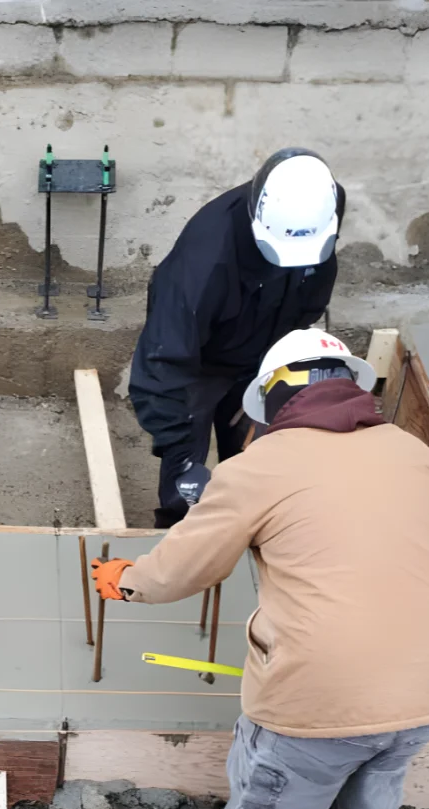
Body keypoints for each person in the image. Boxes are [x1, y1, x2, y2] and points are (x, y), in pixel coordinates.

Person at [90, 330, 429, 809]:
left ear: (274, 397)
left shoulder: (264, 465)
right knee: (376, 785)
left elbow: (184, 568)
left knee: (275, 792)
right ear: (353, 386)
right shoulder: (421, 457)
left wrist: (126, 581)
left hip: (322, 691)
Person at [129, 149, 345, 528]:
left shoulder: (320, 207)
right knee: (187, 492)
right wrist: (182, 457)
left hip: (263, 354)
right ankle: (178, 537)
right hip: (198, 366)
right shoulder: (203, 264)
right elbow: (162, 365)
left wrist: (272, 369)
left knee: (257, 473)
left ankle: (249, 530)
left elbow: (310, 293)